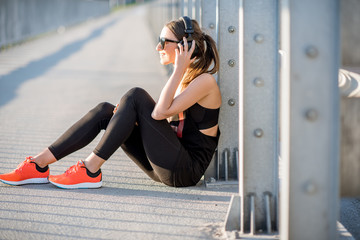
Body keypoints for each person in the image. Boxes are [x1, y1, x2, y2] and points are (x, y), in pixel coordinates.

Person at [0, 16, 221, 189]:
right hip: (165, 166)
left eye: (163, 42)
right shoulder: (184, 78)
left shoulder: (205, 81)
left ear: (185, 46)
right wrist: (127, 117)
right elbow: (162, 119)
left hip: (184, 171)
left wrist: (178, 69)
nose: (158, 47)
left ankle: (89, 170)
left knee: (136, 95)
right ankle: (38, 164)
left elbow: (159, 113)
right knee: (108, 111)